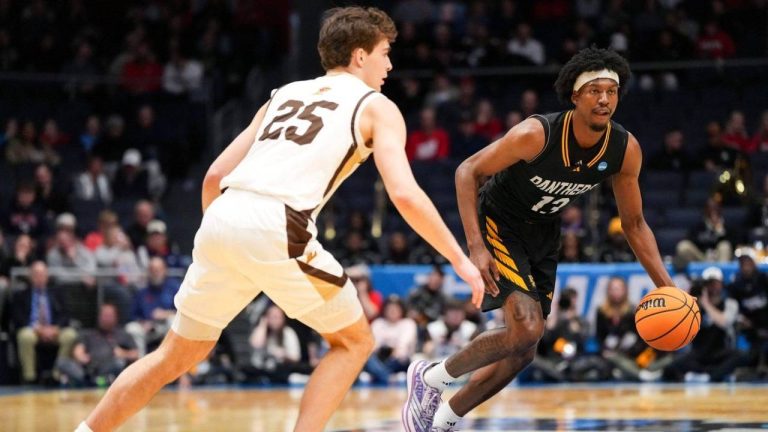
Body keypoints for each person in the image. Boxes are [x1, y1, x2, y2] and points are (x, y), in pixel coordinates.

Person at [76, 7, 483, 432]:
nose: (390, 65)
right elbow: (403, 193)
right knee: (355, 342)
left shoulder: (284, 94)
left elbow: (214, 175)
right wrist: (459, 259)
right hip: (276, 223)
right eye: (385, 53)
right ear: (360, 56)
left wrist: (228, 241)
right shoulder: (377, 106)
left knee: (173, 355)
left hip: (223, 215)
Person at [403, 47, 675, 432]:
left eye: (611, 91)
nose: (604, 99)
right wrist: (476, 246)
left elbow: (634, 223)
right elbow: (467, 172)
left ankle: (442, 419)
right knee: (526, 328)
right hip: (499, 219)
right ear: (576, 96)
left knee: (525, 349)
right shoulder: (537, 134)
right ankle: (431, 377)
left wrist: (668, 287)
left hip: (543, 230)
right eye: (595, 90)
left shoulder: (624, 149)